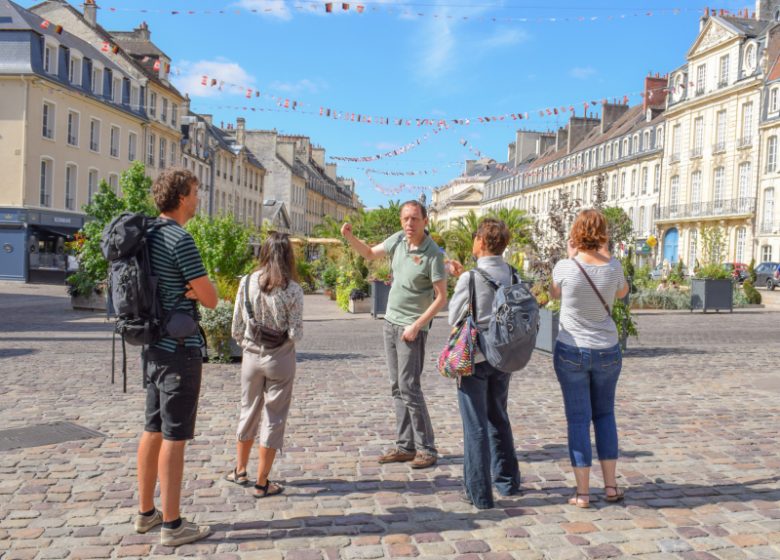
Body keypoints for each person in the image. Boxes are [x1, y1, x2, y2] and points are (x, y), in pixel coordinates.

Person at [135, 168, 217, 546]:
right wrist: (199, 290)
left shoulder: (146, 234)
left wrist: (192, 290)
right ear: (183, 197)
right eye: (196, 193)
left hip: (152, 347)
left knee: (152, 428)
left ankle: (146, 513)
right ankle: (173, 524)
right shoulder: (178, 238)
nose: (199, 199)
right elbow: (211, 297)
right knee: (175, 437)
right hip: (179, 350)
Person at [341, 200, 447, 469]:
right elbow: (368, 253)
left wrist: (417, 325)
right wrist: (349, 237)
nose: (409, 224)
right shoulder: (398, 240)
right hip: (391, 323)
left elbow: (441, 298)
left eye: (414, 219)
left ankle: (427, 448)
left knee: (410, 387)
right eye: (405, 219)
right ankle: (405, 446)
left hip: (412, 330)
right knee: (397, 387)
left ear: (425, 221)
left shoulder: (432, 253)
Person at [549, 208, 629, 508]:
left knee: (578, 420)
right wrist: (607, 255)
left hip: (571, 349)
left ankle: (582, 493)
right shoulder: (614, 267)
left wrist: (571, 258)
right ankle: (610, 486)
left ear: (576, 233)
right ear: (603, 233)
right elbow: (622, 293)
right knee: (605, 415)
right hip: (607, 349)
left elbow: (553, 295)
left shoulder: (565, 267)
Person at [447, 218, 521, 509]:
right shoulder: (514, 274)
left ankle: (478, 491)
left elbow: (455, 316)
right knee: (498, 417)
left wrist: (462, 281)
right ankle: (507, 481)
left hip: (476, 358)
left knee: (475, 425)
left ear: (480, 241)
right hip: (503, 356)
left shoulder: (471, 278)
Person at [226, 232, 304, 498]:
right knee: (274, 417)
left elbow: (236, 326)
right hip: (279, 358)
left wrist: (250, 344)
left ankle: (239, 470)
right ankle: (262, 482)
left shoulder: (247, 282)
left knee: (248, 411)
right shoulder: (293, 289)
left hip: (250, 355)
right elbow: (295, 333)